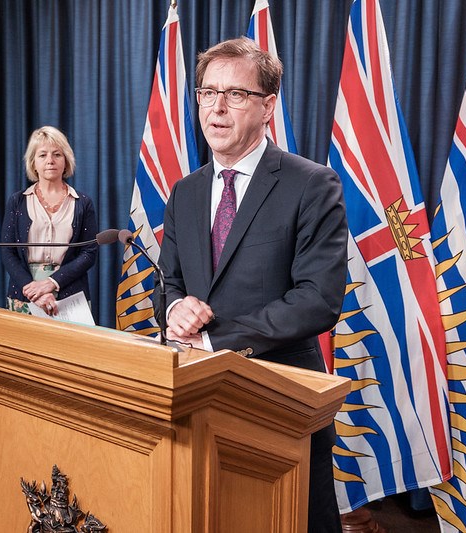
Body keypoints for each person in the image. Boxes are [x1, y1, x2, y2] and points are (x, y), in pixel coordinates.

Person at [157, 37, 348, 532]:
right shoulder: (185, 191)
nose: (216, 108)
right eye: (206, 93)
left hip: (280, 398)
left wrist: (214, 338)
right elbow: (169, 283)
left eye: (235, 94)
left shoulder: (311, 184)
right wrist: (174, 308)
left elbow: (317, 301)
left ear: (268, 107)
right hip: (197, 399)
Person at [1, 126, 98, 316]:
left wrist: (51, 283)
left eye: (57, 155)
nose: (50, 161)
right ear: (33, 163)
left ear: (66, 161)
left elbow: (89, 253)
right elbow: (7, 252)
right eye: (42, 155)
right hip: (25, 294)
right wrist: (34, 291)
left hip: (71, 296)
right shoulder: (17, 201)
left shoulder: (83, 203)